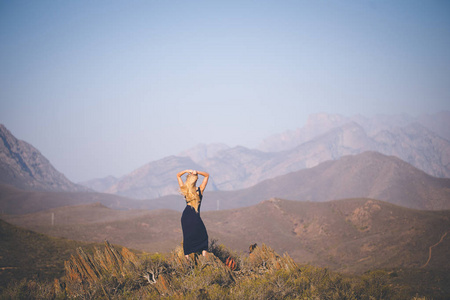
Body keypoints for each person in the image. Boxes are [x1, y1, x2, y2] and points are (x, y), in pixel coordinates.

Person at [177, 169, 210, 257]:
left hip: (186, 216)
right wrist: (197, 172)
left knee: (187, 236)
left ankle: (187, 257)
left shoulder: (185, 189)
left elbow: (178, 175)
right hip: (195, 215)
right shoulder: (200, 190)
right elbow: (207, 175)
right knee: (203, 236)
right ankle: (204, 256)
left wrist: (186, 171)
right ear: (196, 179)